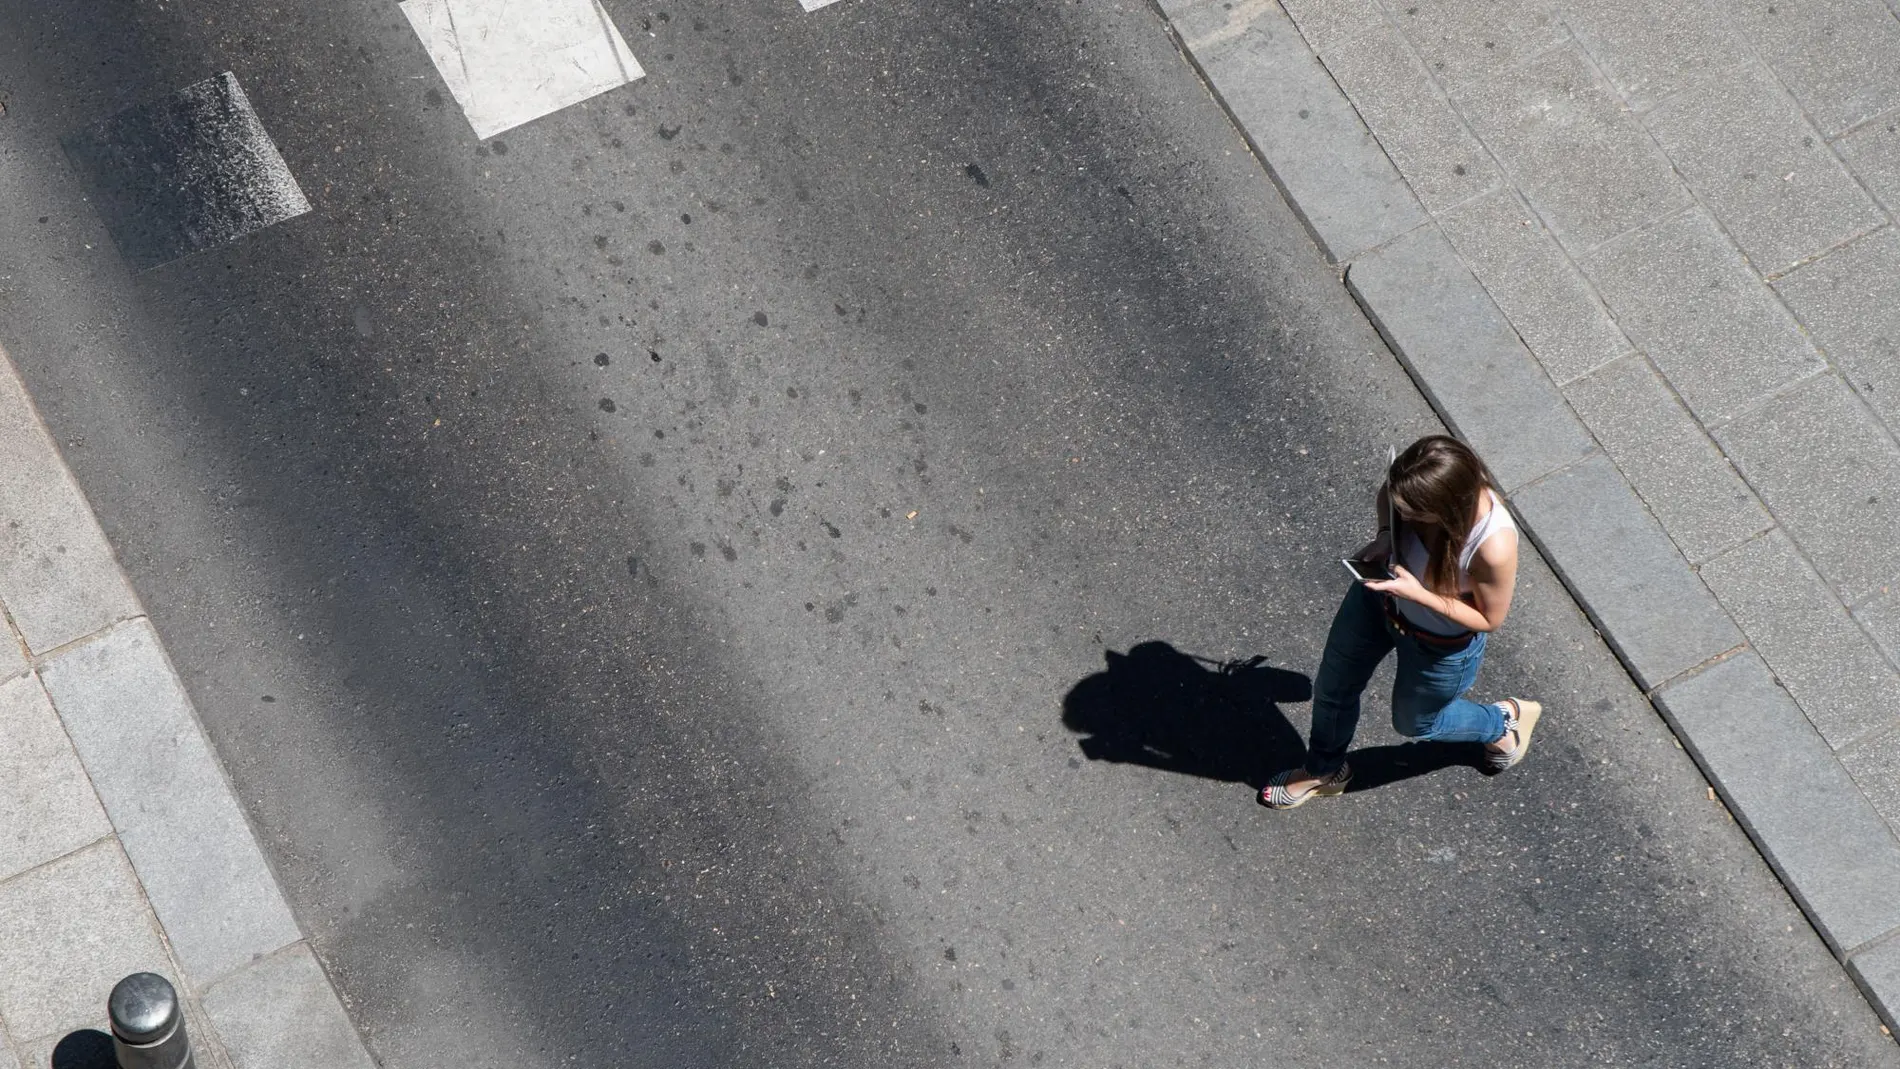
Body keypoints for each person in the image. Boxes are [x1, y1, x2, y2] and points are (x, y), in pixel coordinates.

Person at [1263, 435, 1540, 809]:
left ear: (1447, 506)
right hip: (1378, 601)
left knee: (1417, 724)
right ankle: (1324, 769)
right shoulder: (1414, 487)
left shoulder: (1493, 546)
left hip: (1437, 644)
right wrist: (1386, 536)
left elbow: (1489, 618)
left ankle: (1500, 723)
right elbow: (1387, 496)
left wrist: (1418, 593)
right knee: (1334, 687)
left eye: (1412, 513)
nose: (1404, 514)